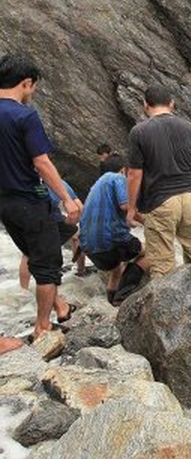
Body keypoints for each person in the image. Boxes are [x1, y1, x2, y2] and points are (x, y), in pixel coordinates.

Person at [0, 54, 81, 341]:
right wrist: (67, 198)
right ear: (26, 83)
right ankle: (42, 328)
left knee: (46, 246)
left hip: (6, 205)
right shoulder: (24, 115)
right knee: (48, 265)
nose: (32, 93)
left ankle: (60, 306)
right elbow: (42, 162)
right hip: (30, 200)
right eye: (32, 87)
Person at [126, 85, 191, 279]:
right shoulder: (189, 127)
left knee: (162, 266)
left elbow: (134, 174)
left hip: (160, 202)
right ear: (171, 104)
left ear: (145, 105)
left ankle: (165, 308)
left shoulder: (139, 132)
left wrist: (131, 208)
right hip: (190, 198)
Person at [80, 154, 148, 306]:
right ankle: (122, 296)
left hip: (88, 247)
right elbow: (126, 205)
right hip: (110, 239)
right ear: (124, 170)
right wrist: (147, 222)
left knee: (116, 269)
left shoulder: (97, 185)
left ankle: (111, 304)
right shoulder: (117, 178)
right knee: (152, 252)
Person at [19, 180, 85, 291]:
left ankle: (23, 289)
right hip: (45, 220)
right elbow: (79, 207)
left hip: (39, 218)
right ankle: (81, 270)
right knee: (77, 235)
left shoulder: (27, 181)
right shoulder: (55, 183)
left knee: (29, 252)